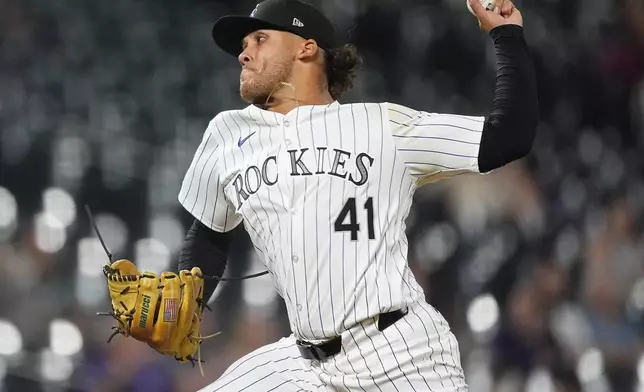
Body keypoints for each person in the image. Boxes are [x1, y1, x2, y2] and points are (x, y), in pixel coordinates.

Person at [177, 0, 538, 390]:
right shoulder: (226, 134)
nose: (244, 53)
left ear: (306, 47)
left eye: (260, 39)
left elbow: (510, 134)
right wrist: (184, 305)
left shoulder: (381, 126)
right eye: (244, 45)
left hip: (400, 353)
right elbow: (209, 233)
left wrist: (506, 34)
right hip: (302, 362)